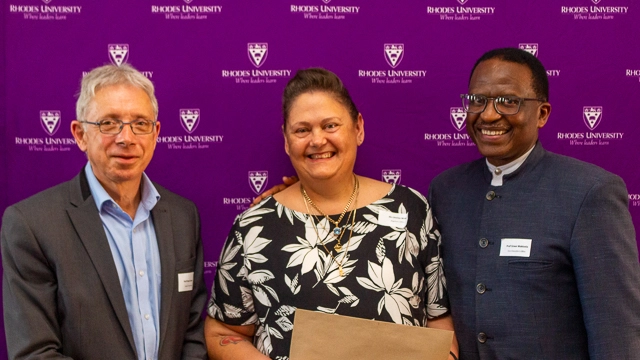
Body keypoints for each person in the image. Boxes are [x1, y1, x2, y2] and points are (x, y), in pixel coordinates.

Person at [205, 68, 458, 359]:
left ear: (358, 128)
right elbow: (223, 333)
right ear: (287, 141)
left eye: (330, 125)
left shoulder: (411, 209)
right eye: (302, 130)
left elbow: (439, 317)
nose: (317, 140)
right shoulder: (254, 226)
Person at [428, 48, 640, 359]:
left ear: (542, 113)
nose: (488, 115)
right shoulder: (446, 190)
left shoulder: (590, 192)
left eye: (508, 101)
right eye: (477, 100)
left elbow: (616, 331)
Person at [1, 64, 208, 359]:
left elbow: (191, 332)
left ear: (156, 133)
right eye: (109, 123)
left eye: (140, 123)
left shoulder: (183, 217)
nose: (126, 138)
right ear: (80, 134)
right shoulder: (32, 225)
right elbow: (35, 352)